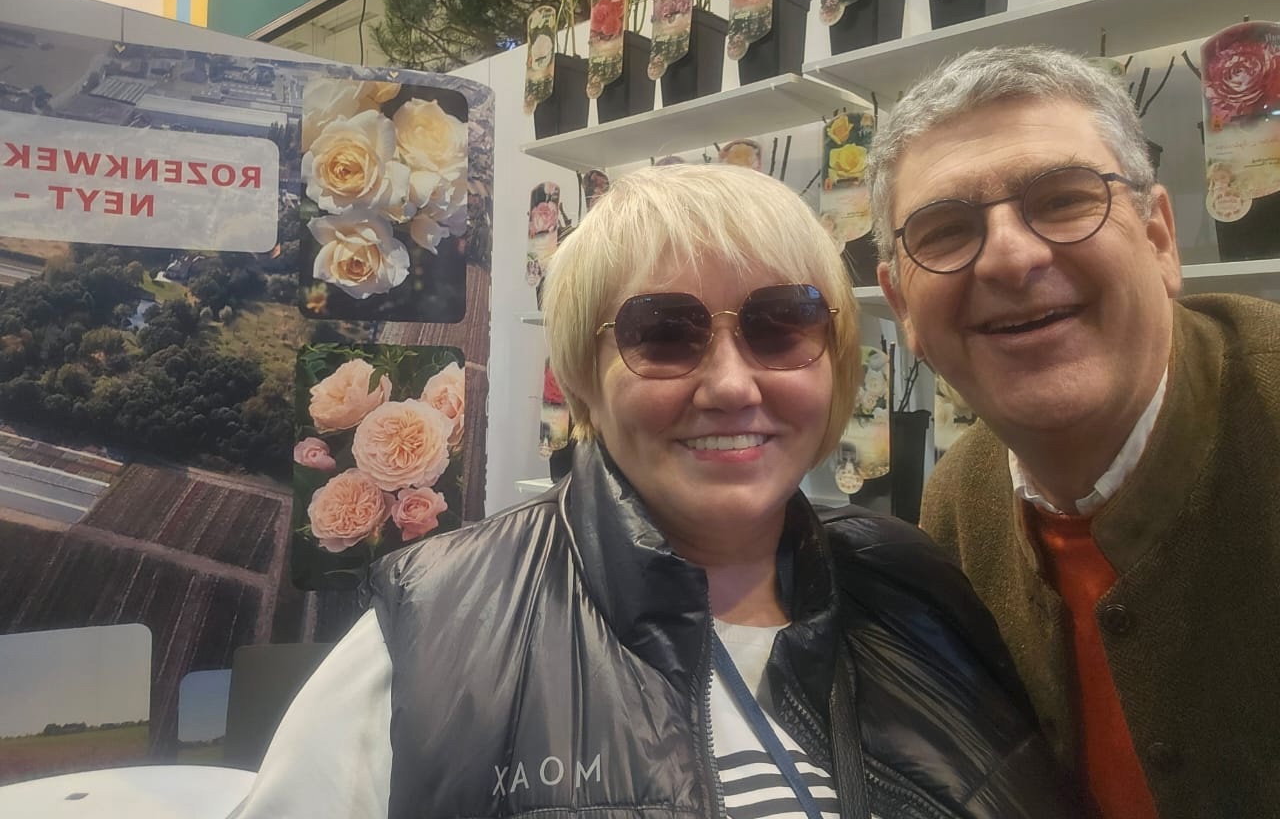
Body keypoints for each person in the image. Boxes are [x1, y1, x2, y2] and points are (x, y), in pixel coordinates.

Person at [234, 163, 1074, 819]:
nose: (732, 385)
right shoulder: (438, 628)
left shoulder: (915, 585)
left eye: (781, 324)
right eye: (663, 334)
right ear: (584, 381)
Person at [867, 45, 1280, 819]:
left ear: (1159, 239)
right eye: (945, 230)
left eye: (1062, 199)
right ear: (902, 308)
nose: (1010, 257)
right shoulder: (956, 506)